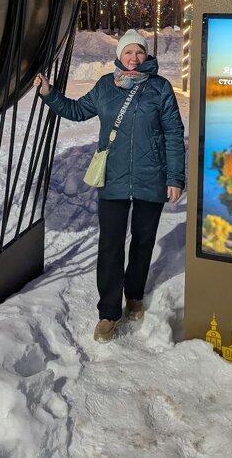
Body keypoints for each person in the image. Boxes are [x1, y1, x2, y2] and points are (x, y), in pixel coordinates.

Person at [34, 29, 185, 343]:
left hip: (151, 178)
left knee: (143, 242)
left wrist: (174, 178)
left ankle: (134, 295)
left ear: (146, 57)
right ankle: (108, 313)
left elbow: (173, 134)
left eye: (139, 53)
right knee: (110, 245)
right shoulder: (105, 86)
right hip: (113, 179)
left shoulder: (159, 88)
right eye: (128, 53)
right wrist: (49, 93)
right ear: (119, 55)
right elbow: (76, 111)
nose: (133, 59)